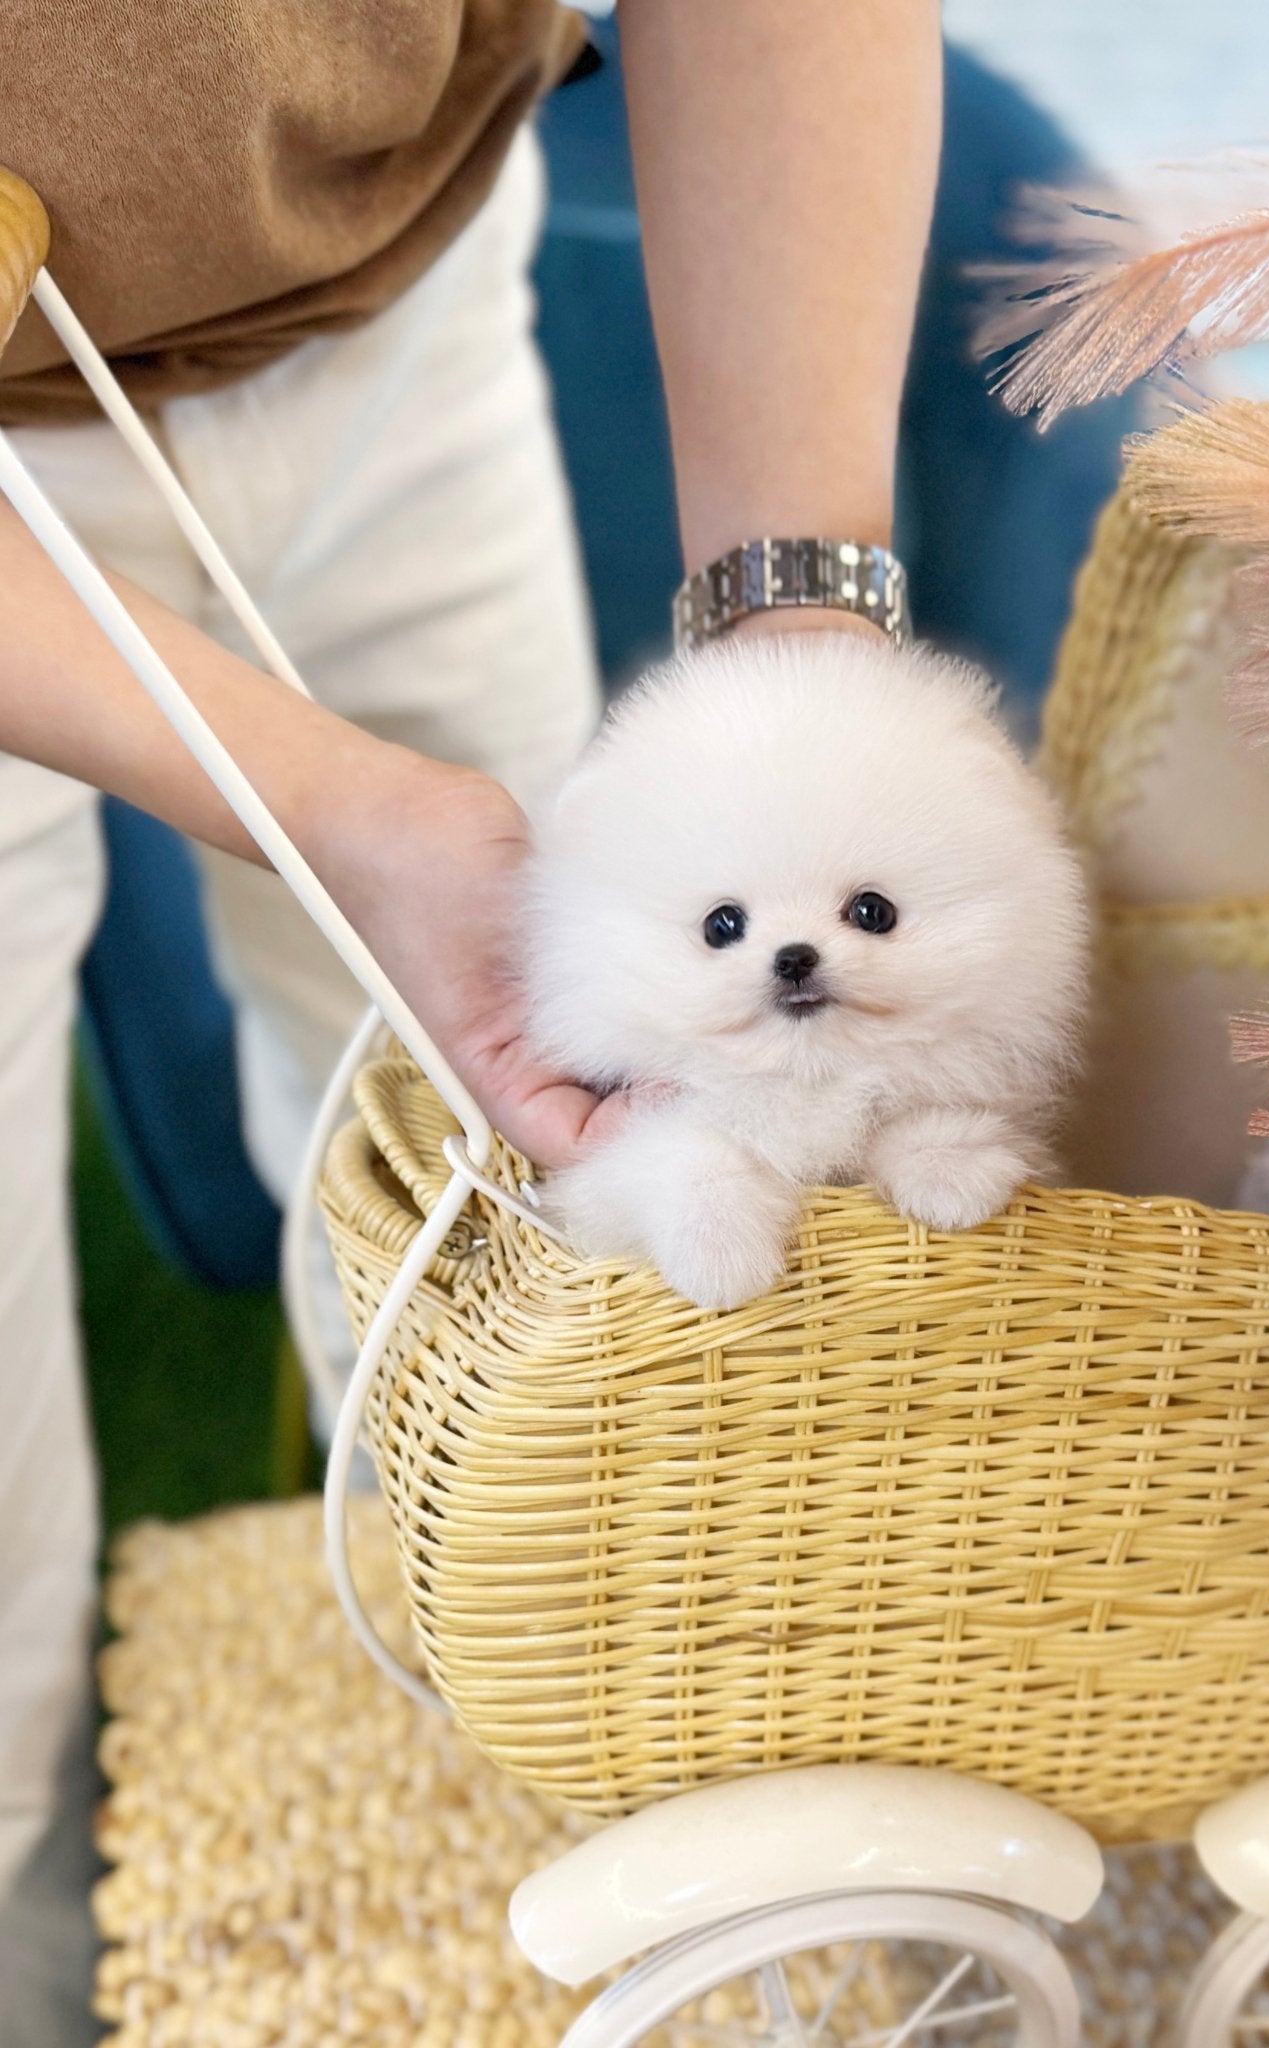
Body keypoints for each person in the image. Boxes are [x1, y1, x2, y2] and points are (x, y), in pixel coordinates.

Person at [0, 2, 942, 2035]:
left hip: (400, 300)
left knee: (552, 1272)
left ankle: (549, 1755)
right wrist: (340, 812)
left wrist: (797, 663)